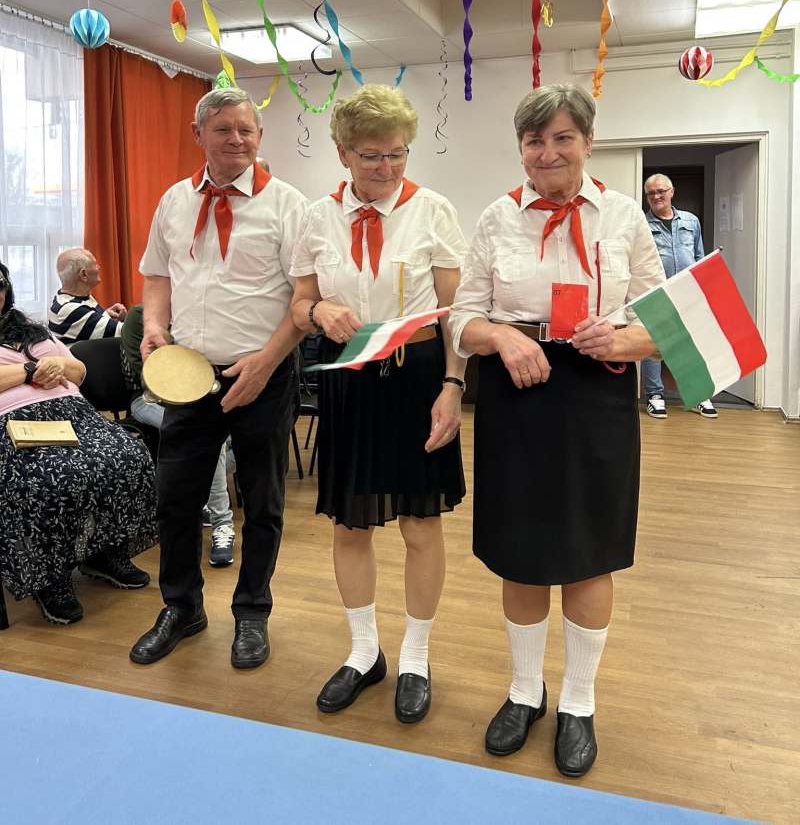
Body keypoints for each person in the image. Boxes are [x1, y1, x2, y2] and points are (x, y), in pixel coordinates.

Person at [449, 84, 665, 777]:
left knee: (590, 551)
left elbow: (665, 322)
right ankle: (524, 691)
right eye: (535, 141)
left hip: (598, 394)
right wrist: (501, 338)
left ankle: (578, 700)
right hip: (517, 395)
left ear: (587, 142)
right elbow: (461, 318)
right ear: (521, 148)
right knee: (521, 550)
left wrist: (625, 340)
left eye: (563, 138)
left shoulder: (624, 217)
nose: (548, 153)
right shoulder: (496, 218)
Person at [290, 84, 467, 724]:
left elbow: (456, 314)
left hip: (417, 377)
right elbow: (299, 306)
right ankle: (364, 652)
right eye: (372, 155)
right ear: (343, 153)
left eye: (397, 153)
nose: (387, 167)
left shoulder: (433, 211)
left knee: (420, 524)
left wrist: (453, 386)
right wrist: (318, 311)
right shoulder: (317, 217)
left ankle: (416, 656)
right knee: (350, 524)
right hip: (349, 377)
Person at [129, 87, 307, 670]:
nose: (236, 140)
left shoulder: (287, 205)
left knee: (263, 502)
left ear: (259, 137)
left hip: (263, 374)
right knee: (176, 501)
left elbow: (305, 299)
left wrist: (266, 362)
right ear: (198, 134)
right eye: (223, 129)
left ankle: (252, 611)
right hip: (190, 377)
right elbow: (157, 275)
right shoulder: (174, 201)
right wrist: (154, 326)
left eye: (246, 130)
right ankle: (181, 608)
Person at [0, 262, 156, 625]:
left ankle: (104, 552)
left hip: (73, 412)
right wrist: (32, 370)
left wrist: (58, 367)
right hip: (15, 422)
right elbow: (32, 370)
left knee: (128, 457)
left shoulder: (30, 327)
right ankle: (50, 577)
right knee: (52, 478)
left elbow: (79, 371)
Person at [120, 305, 236, 567]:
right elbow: (144, 374)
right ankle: (222, 524)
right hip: (149, 400)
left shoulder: (198, 311)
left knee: (239, 434)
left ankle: (202, 498)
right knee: (211, 439)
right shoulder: (140, 317)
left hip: (196, 397)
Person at [642, 174, 717, 419]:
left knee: (689, 342)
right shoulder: (642, 224)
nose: (656, 196)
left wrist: (701, 288)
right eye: (651, 193)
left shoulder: (691, 221)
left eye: (661, 191)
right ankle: (654, 396)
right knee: (654, 344)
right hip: (656, 293)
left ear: (672, 192)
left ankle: (697, 394)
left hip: (686, 291)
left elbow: (698, 257)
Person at [49, 248, 127, 344]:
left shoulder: (69, 298)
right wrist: (129, 317)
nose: (98, 267)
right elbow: (128, 333)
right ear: (84, 274)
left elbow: (87, 324)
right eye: (95, 264)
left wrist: (106, 316)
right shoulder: (71, 310)